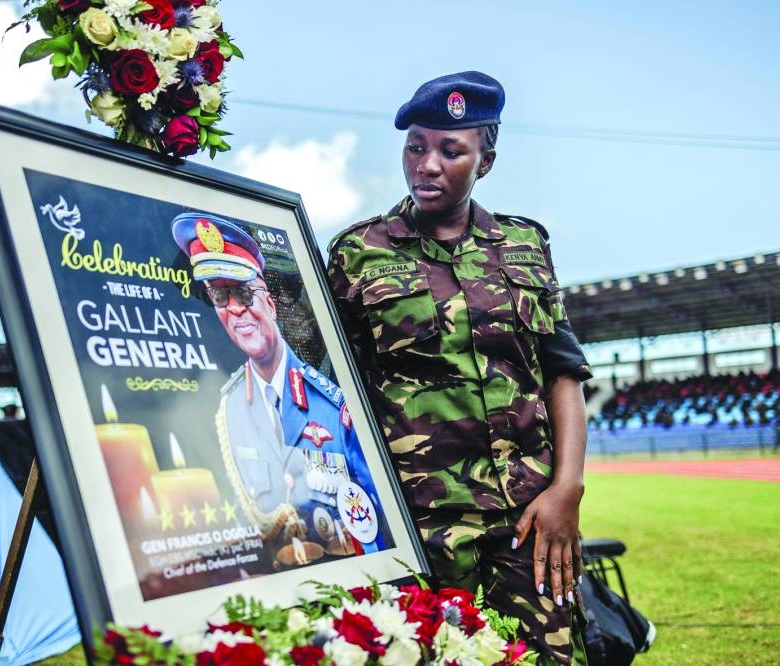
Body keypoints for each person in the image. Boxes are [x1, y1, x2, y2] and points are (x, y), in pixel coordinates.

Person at [327, 71, 593, 664]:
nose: (427, 164)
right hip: (417, 524)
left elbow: (563, 372)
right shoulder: (356, 252)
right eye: (416, 146)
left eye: (451, 150)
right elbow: (337, 388)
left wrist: (567, 489)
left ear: (486, 161)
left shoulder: (526, 245)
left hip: (531, 518)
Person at [172, 212, 383, 556]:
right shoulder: (229, 410)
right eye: (219, 298)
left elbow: (374, 525)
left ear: (269, 303)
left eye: (242, 293)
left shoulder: (333, 406)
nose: (235, 309)